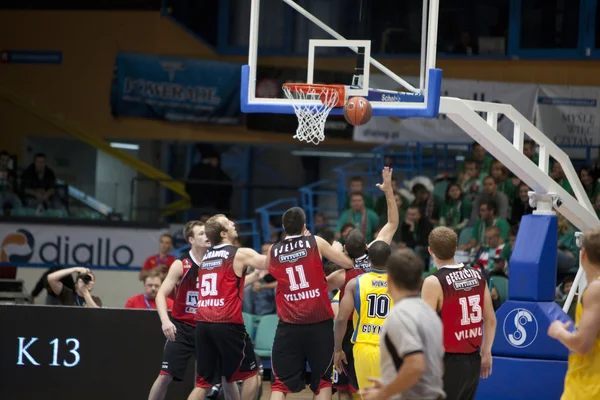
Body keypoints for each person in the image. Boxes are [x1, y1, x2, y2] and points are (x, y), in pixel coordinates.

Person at [267, 206, 354, 399]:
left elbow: (271, 270)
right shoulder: (316, 242)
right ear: (305, 225)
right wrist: (333, 250)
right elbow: (348, 264)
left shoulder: (274, 250)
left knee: (279, 385)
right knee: (323, 382)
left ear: (283, 227)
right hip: (319, 323)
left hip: (289, 324)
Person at [327, 166, 398, 397]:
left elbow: (322, 291)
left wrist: (333, 251)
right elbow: (392, 223)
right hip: (383, 335)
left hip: (353, 333)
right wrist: (388, 191)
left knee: (344, 388)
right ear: (367, 245)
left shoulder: (343, 273)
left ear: (346, 249)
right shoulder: (377, 252)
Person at [149, 221, 238, 400]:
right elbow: (160, 295)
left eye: (207, 233)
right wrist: (165, 321)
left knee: (227, 377)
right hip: (182, 328)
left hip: (208, 327)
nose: (207, 236)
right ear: (191, 239)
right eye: (201, 234)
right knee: (165, 375)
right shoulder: (181, 263)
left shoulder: (219, 260)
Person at [189, 214, 269, 400]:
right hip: (226, 323)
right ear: (224, 233)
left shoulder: (206, 258)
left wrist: (253, 277)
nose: (234, 223)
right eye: (229, 222)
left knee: (207, 382)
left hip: (202, 323)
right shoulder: (238, 253)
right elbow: (268, 263)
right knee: (251, 375)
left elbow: (226, 287)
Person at [422, 227, 496, 400]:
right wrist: (486, 352)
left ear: (430, 250)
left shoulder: (433, 282)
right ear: (456, 248)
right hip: (473, 360)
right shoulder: (477, 275)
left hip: (447, 362)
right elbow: (490, 320)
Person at [360, 250, 445, 400]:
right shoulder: (430, 313)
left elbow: (415, 365)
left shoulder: (399, 315)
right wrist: (392, 386)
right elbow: (438, 366)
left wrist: (383, 393)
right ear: (420, 280)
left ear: (389, 279)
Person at [548, 227, 600, 400]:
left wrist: (559, 332)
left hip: (589, 386)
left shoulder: (595, 290)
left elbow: (582, 345)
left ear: (583, 254)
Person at [333, 241, 393, 392]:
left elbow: (341, 319)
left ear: (368, 259)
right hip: (391, 347)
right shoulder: (400, 283)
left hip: (364, 347)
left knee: (369, 396)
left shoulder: (355, 284)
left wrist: (338, 349)